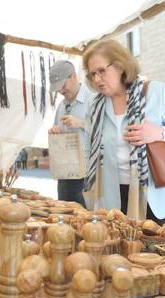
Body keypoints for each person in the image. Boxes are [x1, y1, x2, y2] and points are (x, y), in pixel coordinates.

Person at [82, 40, 165, 224]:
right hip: (113, 199)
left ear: (120, 66)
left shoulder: (156, 92)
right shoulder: (95, 105)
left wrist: (159, 133)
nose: (97, 79)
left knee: (163, 249)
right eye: (92, 74)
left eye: (101, 71)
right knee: (121, 251)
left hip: (157, 199)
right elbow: (88, 151)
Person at [48, 60, 96, 207]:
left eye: (63, 86)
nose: (61, 91)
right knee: (65, 217)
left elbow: (106, 134)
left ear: (74, 76)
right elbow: (58, 132)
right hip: (64, 173)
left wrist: (81, 123)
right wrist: (55, 132)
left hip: (87, 175)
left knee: (86, 222)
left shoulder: (93, 101)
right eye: (58, 88)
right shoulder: (61, 106)